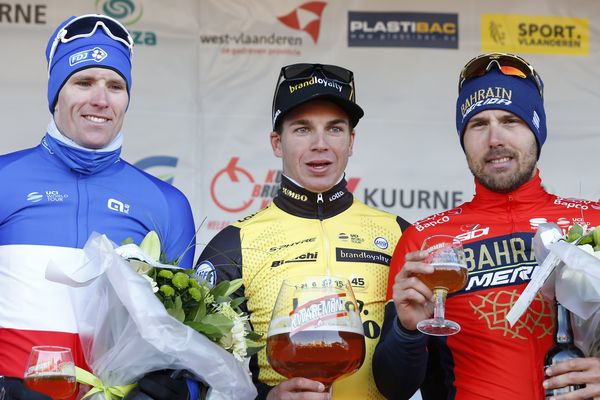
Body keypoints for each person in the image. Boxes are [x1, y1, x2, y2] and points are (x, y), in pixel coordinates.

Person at [372, 52, 600, 400]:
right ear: (463, 139)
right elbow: (394, 388)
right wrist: (407, 331)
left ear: (537, 131)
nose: (495, 139)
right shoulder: (424, 241)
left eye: (511, 121)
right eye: (479, 124)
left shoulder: (592, 222)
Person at [0, 14, 195, 399]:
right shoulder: (5, 178)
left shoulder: (167, 204)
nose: (101, 100)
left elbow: (189, 343)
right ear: (57, 93)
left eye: (115, 85)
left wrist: (171, 390)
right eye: (84, 82)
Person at [196, 63, 410, 399]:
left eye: (335, 129)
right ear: (277, 142)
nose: (320, 144)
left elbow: (428, 369)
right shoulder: (232, 245)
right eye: (302, 129)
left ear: (351, 141)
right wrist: (269, 398)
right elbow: (201, 378)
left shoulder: (400, 235)